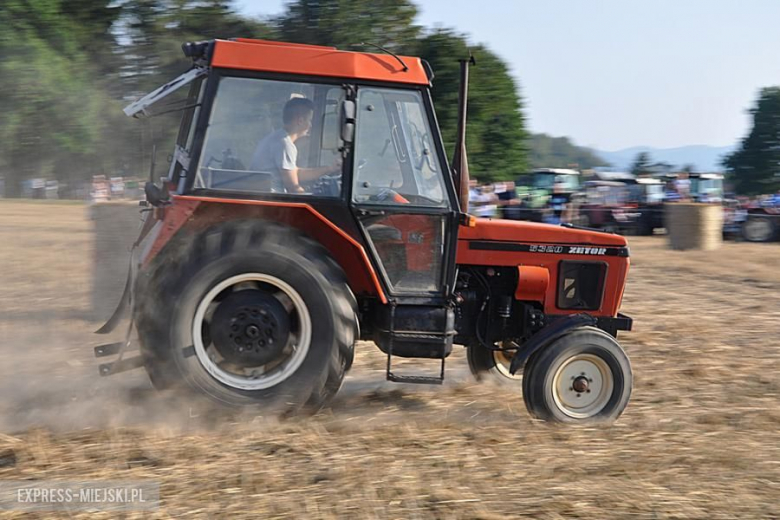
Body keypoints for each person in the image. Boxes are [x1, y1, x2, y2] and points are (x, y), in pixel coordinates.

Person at [249, 97, 340, 194]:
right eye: (309, 120)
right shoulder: (284, 144)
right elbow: (292, 188)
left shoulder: (277, 138)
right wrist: (314, 199)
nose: (311, 125)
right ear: (300, 121)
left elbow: (295, 173)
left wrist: (330, 169)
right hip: (272, 199)